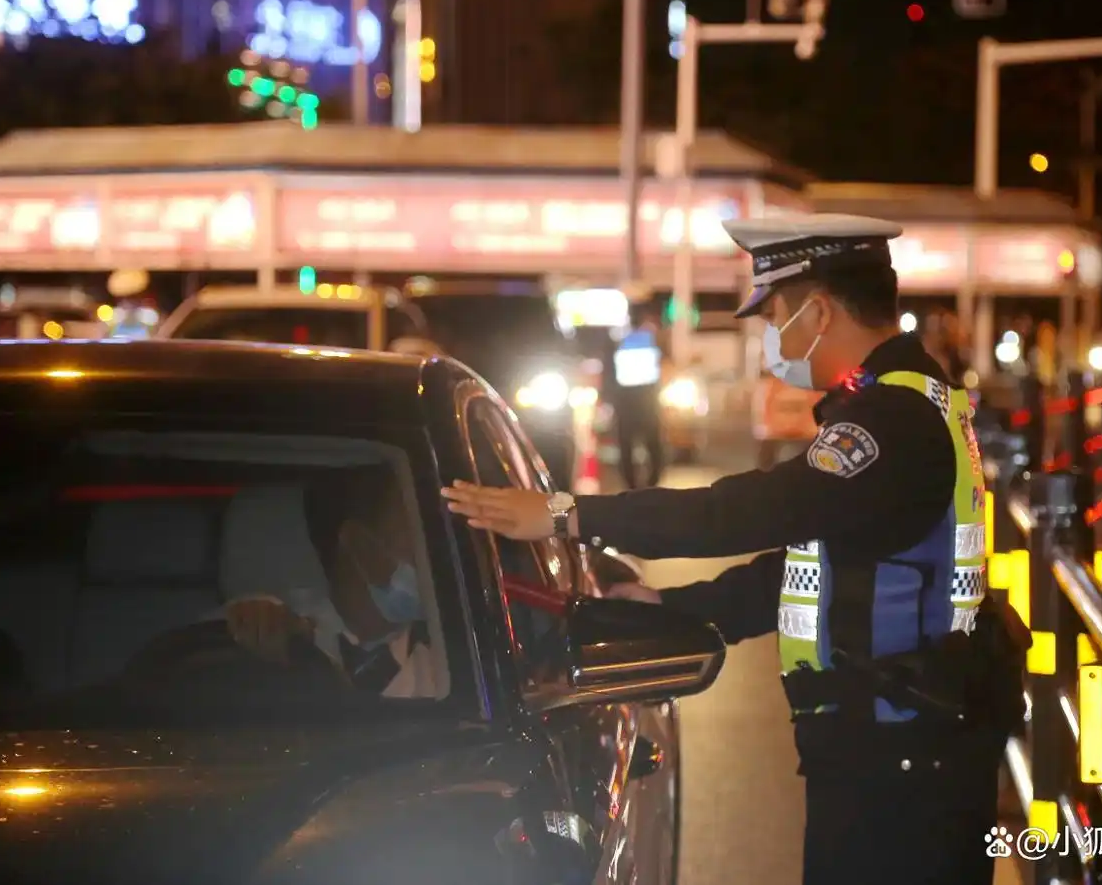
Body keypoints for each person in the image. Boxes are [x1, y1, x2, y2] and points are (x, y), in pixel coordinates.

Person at [441, 213, 1029, 884]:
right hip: (895, 743)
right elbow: (815, 569)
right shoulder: (902, 401)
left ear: (820, 309)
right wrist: (671, 604)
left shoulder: (891, 421)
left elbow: (744, 513)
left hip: (901, 758)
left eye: (774, 313)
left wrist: (564, 513)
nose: (770, 336)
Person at [225, 478, 436, 698]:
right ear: (360, 543)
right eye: (419, 539)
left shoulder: (450, 660)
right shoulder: (265, 633)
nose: (432, 557)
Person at [609, 308, 666, 488]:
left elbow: (610, 374)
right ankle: (651, 483)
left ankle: (632, 486)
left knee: (627, 447)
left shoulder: (618, 339)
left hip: (626, 401)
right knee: (652, 444)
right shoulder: (650, 338)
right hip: (646, 399)